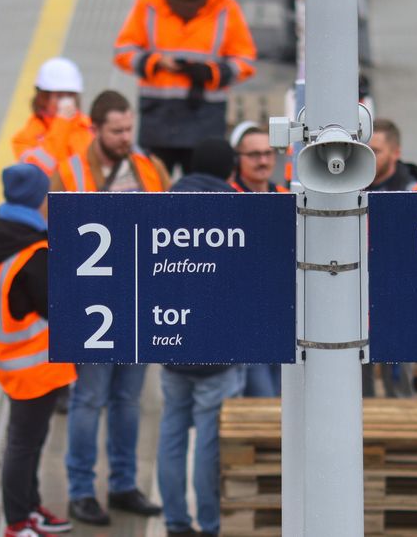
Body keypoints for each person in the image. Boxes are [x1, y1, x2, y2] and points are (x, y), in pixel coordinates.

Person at [50, 90, 169, 525]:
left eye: (128, 129)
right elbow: (52, 239)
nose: (125, 138)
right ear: (95, 129)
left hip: (137, 300)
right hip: (92, 309)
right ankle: (81, 490)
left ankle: (122, 484)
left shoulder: (147, 168)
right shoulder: (70, 173)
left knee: (127, 399)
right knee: (89, 399)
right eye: (116, 131)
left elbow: (168, 224)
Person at [0, 164, 76, 536]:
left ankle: (31, 508)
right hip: (33, 362)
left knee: (30, 439)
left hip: (2, 352)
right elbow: (57, 306)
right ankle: (17, 522)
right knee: (23, 443)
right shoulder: (33, 253)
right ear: (37, 199)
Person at [158, 138, 246, 537]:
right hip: (217, 349)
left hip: (172, 340)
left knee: (172, 434)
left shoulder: (165, 202)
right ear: (230, 170)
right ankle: (209, 523)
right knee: (209, 444)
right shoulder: (236, 207)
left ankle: (176, 520)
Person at [113, 0, 257, 175]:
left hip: (204, 120)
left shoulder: (225, 10)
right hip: (158, 121)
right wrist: (155, 62)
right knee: (154, 194)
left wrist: (213, 73)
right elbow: (123, 51)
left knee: (201, 197)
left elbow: (246, 60)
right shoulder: (148, 5)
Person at [363, 118, 417, 398]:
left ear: (395, 153)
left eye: (375, 151)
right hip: (354, 298)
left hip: (398, 300)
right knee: (354, 385)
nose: (368, 157)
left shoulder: (415, 193)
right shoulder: (347, 186)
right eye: (364, 150)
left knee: (398, 387)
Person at [228, 124, 285, 397]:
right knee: (265, 402)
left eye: (267, 153)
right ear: (238, 158)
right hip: (247, 323)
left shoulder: (288, 197)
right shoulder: (227, 198)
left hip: (286, 319)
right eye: (253, 155)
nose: (262, 161)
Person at [13, 57, 93, 175]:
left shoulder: (89, 127)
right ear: (43, 99)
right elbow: (41, 169)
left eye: (70, 95)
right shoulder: (24, 139)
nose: (67, 102)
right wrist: (61, 124)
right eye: (59, 96)